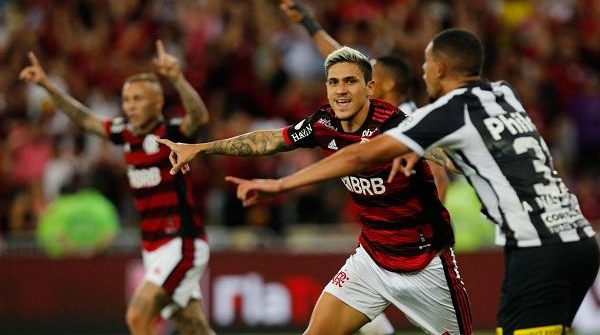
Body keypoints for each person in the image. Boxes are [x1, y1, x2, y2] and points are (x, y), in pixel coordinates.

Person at [225, 29, 599, 335]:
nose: (421, 72)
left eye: (425, 64)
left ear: (438, 68)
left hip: (534, 247)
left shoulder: (442, 115)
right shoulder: (502, 94)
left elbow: (359, 154)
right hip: (579, 239)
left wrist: (280, 185)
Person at [159, 46, 472, 334]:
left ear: (370, 88)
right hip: (372, 261)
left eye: (350, 81)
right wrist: (202, 148)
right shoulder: (323, 124)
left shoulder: (395, 126)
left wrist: (480, 158)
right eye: (333, 82)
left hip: (426, 262)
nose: (341, 90)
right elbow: (269, 140)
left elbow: (448, 155)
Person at [19, 41, 215, 335]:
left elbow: (199, 117)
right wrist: (48, 85)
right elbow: (85, 119)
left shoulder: (170, 132)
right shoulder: (124, 133)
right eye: (127, 99)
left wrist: (176, 78)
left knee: (138, 317)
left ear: (158, 103)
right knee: (194, 328)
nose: (130, 105)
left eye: (138, 99)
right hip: (153, 247)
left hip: (181, 243)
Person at [276, 0, 449, 201]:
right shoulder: (377, 110)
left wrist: (433, 226)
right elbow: (337, 55)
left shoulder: (408, 120)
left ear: (388, 83)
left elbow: (439, 176)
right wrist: (308, 22)